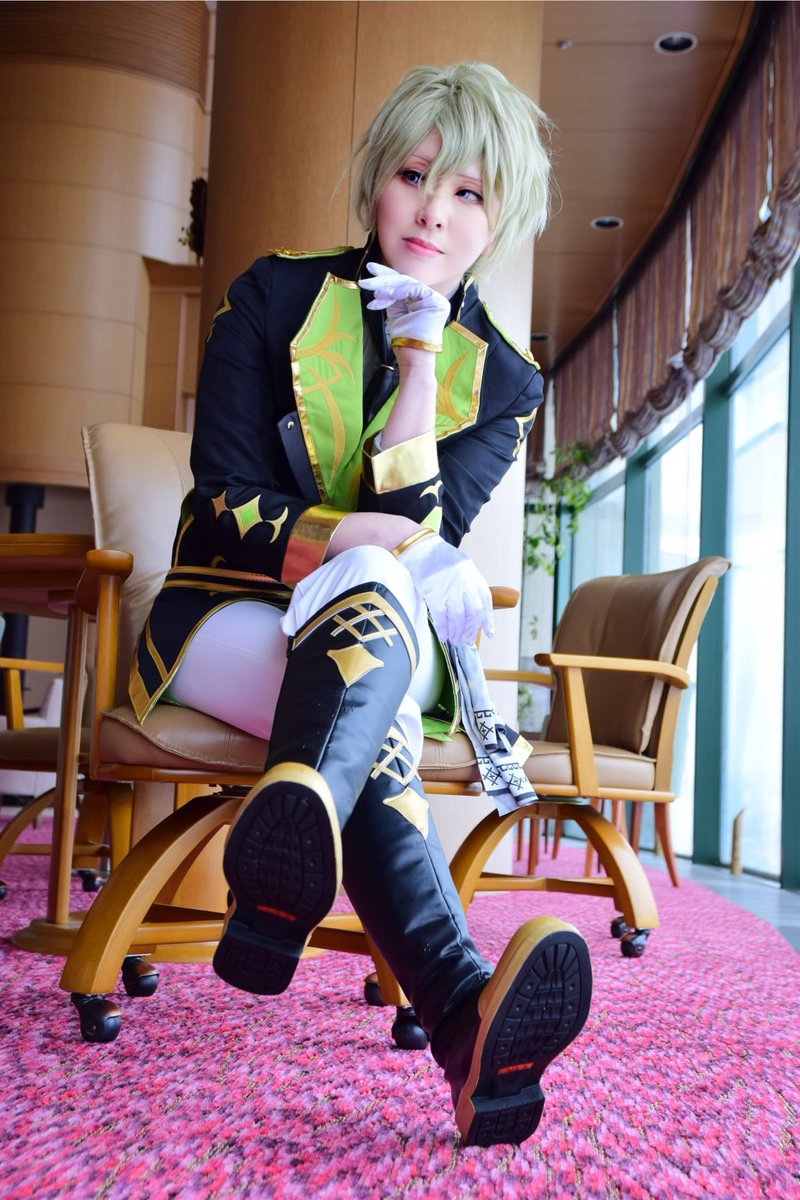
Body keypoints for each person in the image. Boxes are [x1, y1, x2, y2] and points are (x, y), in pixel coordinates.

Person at [131, 61, 592, 1148]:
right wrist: (359, 542)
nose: (433, 209)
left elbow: (432, 527)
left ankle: (287, 858)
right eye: (414, 175)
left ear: (500, 218)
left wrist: (421, 368)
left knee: (377, 609)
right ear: (376, 181)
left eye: (468, 191)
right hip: (231, 618)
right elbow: (216, 510)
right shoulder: (271, 297)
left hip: (372, 654)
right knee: (378, 612)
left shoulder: (505, 382)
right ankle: (462, 1023)